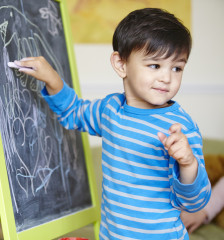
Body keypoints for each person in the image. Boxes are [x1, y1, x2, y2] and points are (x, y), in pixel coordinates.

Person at [11, 8, 211, 240]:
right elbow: (74, 112)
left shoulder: (181, 129)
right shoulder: (110, 110)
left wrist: (187, 163)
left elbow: (195, 203)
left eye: (177, 68)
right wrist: (53, 80)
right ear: (121, 64)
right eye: (155, 65)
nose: (167, 78)